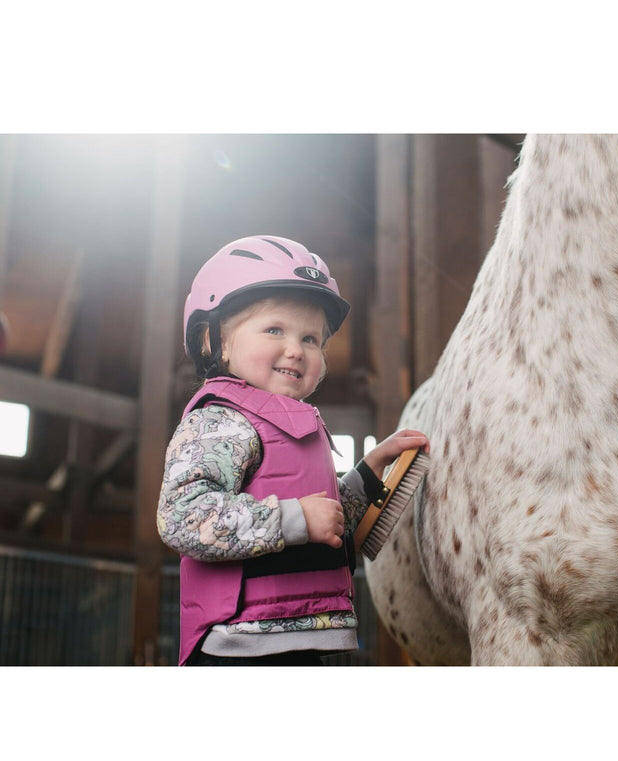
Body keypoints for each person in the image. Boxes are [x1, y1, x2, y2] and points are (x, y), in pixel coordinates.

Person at [157, 235, 429, 666]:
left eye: (311, 338)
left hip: (307, 635)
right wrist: (296, 517)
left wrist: (368, 474)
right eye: (274, 330)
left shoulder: (297, 422)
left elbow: (325, 527)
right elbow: (183, 518)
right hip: (239, 648)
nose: (295, 349)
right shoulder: (220, 421)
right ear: (217, 342)